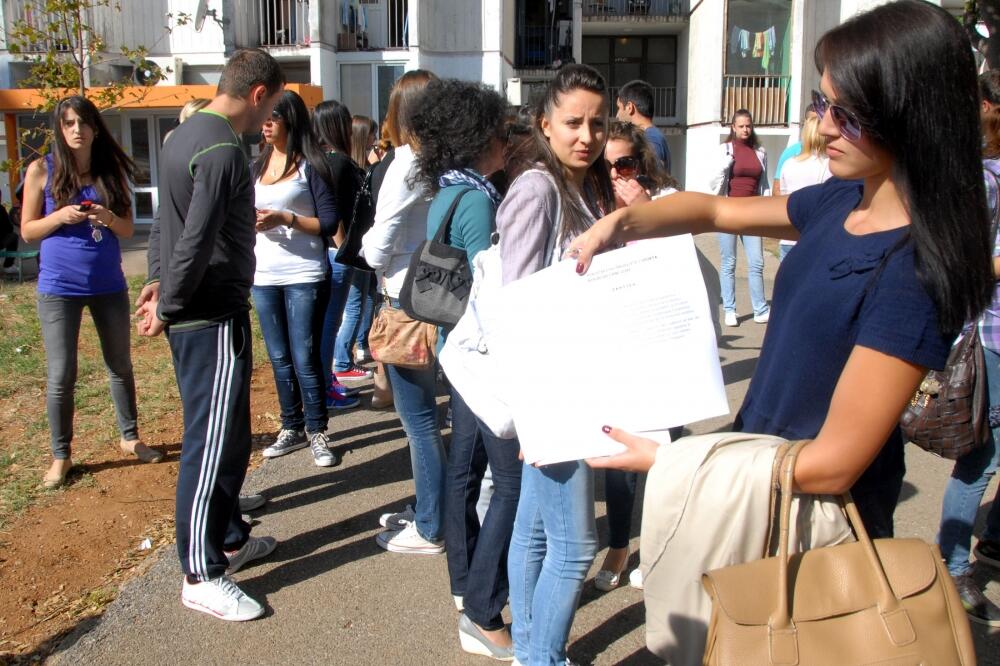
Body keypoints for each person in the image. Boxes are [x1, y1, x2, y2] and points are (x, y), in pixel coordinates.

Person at [572, 1, 992, 545]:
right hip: (755, 469)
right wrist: (622, 222)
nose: (824, 125)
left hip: (817, 523)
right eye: (823, 103)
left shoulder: (912, 271)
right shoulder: (842, 198)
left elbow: (834, 463)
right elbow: (715, 210)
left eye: (850, 115)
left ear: (912, 119)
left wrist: (678, 460)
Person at [136, 49, 286, 621]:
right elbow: (193, 238)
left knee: (230, 435)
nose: (270, 113)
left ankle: (227, 535)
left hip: (200, 310)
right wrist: (168, 303)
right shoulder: (222, 148)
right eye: (272, 102)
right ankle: (200, 571)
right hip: (208, 317)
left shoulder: (184, 135)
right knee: (208, 443)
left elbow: (164, 229)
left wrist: (155, 282)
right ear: (257, 94)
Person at [502, 63, 615, 666]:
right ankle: (540, 657)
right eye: (573, 122)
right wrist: (530, 409)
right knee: (575, 547)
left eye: (597, 123)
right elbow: (514, 306)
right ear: (545, 124)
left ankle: (529, 652)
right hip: (552, 391)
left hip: (572, 380)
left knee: (536, 531)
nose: (587, 135)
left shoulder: (580, 186)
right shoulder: (538, 188)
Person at [408, 78, 517, 659]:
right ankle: (482, 607)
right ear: (479, 137)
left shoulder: (447, 192)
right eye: (500, 132)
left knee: (464, 471)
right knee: (507, 482)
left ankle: (462, 584)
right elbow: (488, 285)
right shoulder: (477, 199)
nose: (507, 143)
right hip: (480, 354)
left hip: (454, 349)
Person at [19, 95, 161, 490]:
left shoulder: (110, 172)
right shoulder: (41, 171)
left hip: (107, 285)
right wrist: (59, 217)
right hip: (58, 288)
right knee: (62, 374)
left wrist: (108, 217)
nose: (76, 130)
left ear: (96, 128)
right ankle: (61, 455)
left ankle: (130, 437)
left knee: (120, 365)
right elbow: (27, 231)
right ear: (59, 130)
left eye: (82, 122)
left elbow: (129, 229)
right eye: (68, 124)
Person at [591, 119, 680, 594]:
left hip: (663, 344)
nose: (616, 174)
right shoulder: (590, 203)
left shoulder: (664, 201)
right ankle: (621, 544)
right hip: (614, 344)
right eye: (605, 166)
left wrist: (640, 211)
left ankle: (667, 543)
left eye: (624, 163)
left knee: (668, 453)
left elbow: (681, 261)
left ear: (640, 163)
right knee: (621, 453)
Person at [361, 69, 447, 555]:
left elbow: (377, 248)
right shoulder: (443, 161)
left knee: (418, 422)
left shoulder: (405, 164)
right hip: (437, 293)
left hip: (404, 299)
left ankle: (430, 525)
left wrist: (371, 249)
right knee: (428, 419)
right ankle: (431, 508)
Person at [935, 69, 1000, 627]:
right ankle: (951, 567)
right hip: (993, 334)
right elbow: (966, 262)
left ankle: (994, 540)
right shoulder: (981, 179)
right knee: (980, 457)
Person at [252, 90, 343, 466]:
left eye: (275, 117)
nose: (267, 123)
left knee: (305, 355)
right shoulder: (256, 165)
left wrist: (285, 218)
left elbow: (328, 223)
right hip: (263, 274)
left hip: (304, 274)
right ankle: (291, 426)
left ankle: (317, 430)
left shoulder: (311, 165)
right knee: (278, 356)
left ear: (291, 120)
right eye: (265, 117)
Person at [312, 99, 365, 410]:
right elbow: (337, 214)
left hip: (327, 253)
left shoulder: (317, 161)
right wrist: (344, 249)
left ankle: (326, 382)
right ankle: (327, 385)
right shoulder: (339, 164)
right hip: (337, 253)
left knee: (326, 324)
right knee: (330, 324)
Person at [709, 109, 770, 327]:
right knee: (729, 262)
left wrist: (766, 206)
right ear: (733, 127)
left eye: (748, 126)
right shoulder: (725, 149)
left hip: (752, 212)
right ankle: (730, 310)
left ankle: (760, 309)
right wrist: (726, 164)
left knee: (757, 262)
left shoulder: (760, 152)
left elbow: (764, 185)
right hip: (728, 211)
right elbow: (712, 181)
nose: (745, 129)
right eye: (741, 126)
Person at [775, 111, 831, 261]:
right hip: (816, 237)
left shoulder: (789, 163)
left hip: (788, 237)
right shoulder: (829, 166)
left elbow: (782, 198)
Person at [615, 79, 671, 174]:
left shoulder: (651, 139)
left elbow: (652, 179)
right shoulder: (651, 136)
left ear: (629, 107)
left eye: (619, 108)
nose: (617, 115)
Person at [772, 105, 817, 195]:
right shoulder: (790, 153)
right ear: (805, 123)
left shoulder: (832, 154)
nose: (814, 127)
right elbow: (777, 189)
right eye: (811, 122)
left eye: (818, 122)